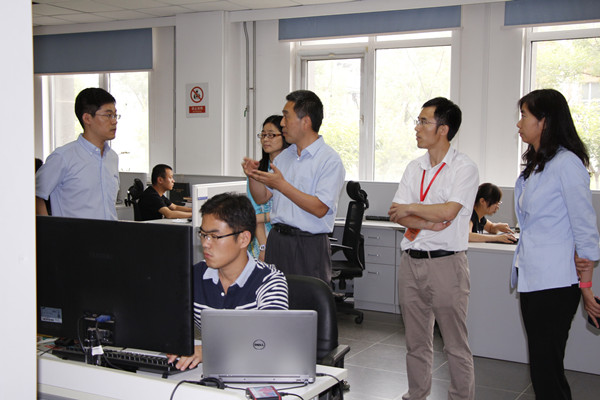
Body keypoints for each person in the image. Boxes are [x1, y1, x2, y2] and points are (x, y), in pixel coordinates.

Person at [511, 89, 600, 400]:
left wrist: (585, 287)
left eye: (524, 116)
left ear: (544, 122)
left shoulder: (566, 164)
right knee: (543, 368)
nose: (519, 123)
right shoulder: (539, 164)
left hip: (556, 283)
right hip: (533, 278)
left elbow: (585, 230)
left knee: (547, 370)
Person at [388, 97, 478, 400]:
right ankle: (416, 394)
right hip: (411, 261)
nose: (417, 127)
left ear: (443, 129)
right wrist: (427, 220)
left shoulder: (464, 168)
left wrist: (414, 208)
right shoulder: (414, 168)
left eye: (423, 121)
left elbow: (449, 212)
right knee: (415, 342)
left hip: (446, 265)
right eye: (418, 121)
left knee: (454, 344)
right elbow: (396, 212)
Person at [167, 192, 288, 371]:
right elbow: (166, 322)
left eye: (214, 236)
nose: (205, 244)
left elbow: (268, 341)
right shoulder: (193, 276)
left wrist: (209, 351)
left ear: (243, 239)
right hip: (208, 373)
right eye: (203, 234)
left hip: (255, 372)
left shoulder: (270, 281)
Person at [242, 90, 345, 283]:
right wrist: (253, 176)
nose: (282, 123)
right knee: (274, 297)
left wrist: (281, 185)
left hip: (308, 244)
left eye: (286, 116)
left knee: (306, 298)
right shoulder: (285, 157)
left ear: (305, 122)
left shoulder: (329, 160)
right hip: (278, 240)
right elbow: (261, 198)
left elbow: (320, 208)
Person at [35, 88, 120, 220]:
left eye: (115, 115)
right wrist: (48, 228)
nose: (114, 121)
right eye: (108, 115)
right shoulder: (63, 157)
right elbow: (35, 194)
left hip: (111, 232)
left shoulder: (112, 158)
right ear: (87, 118)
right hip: (73, 233)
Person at [247, 115, 290, 261]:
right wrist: (263, 246)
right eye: (263, 135)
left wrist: (264, 217)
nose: (265, 139)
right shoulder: (257, 170)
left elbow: (291, 212)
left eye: (271, 135)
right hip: (262, 239)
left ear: (285, 136)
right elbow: (255, 211)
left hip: (287, 238)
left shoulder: (292, 169)